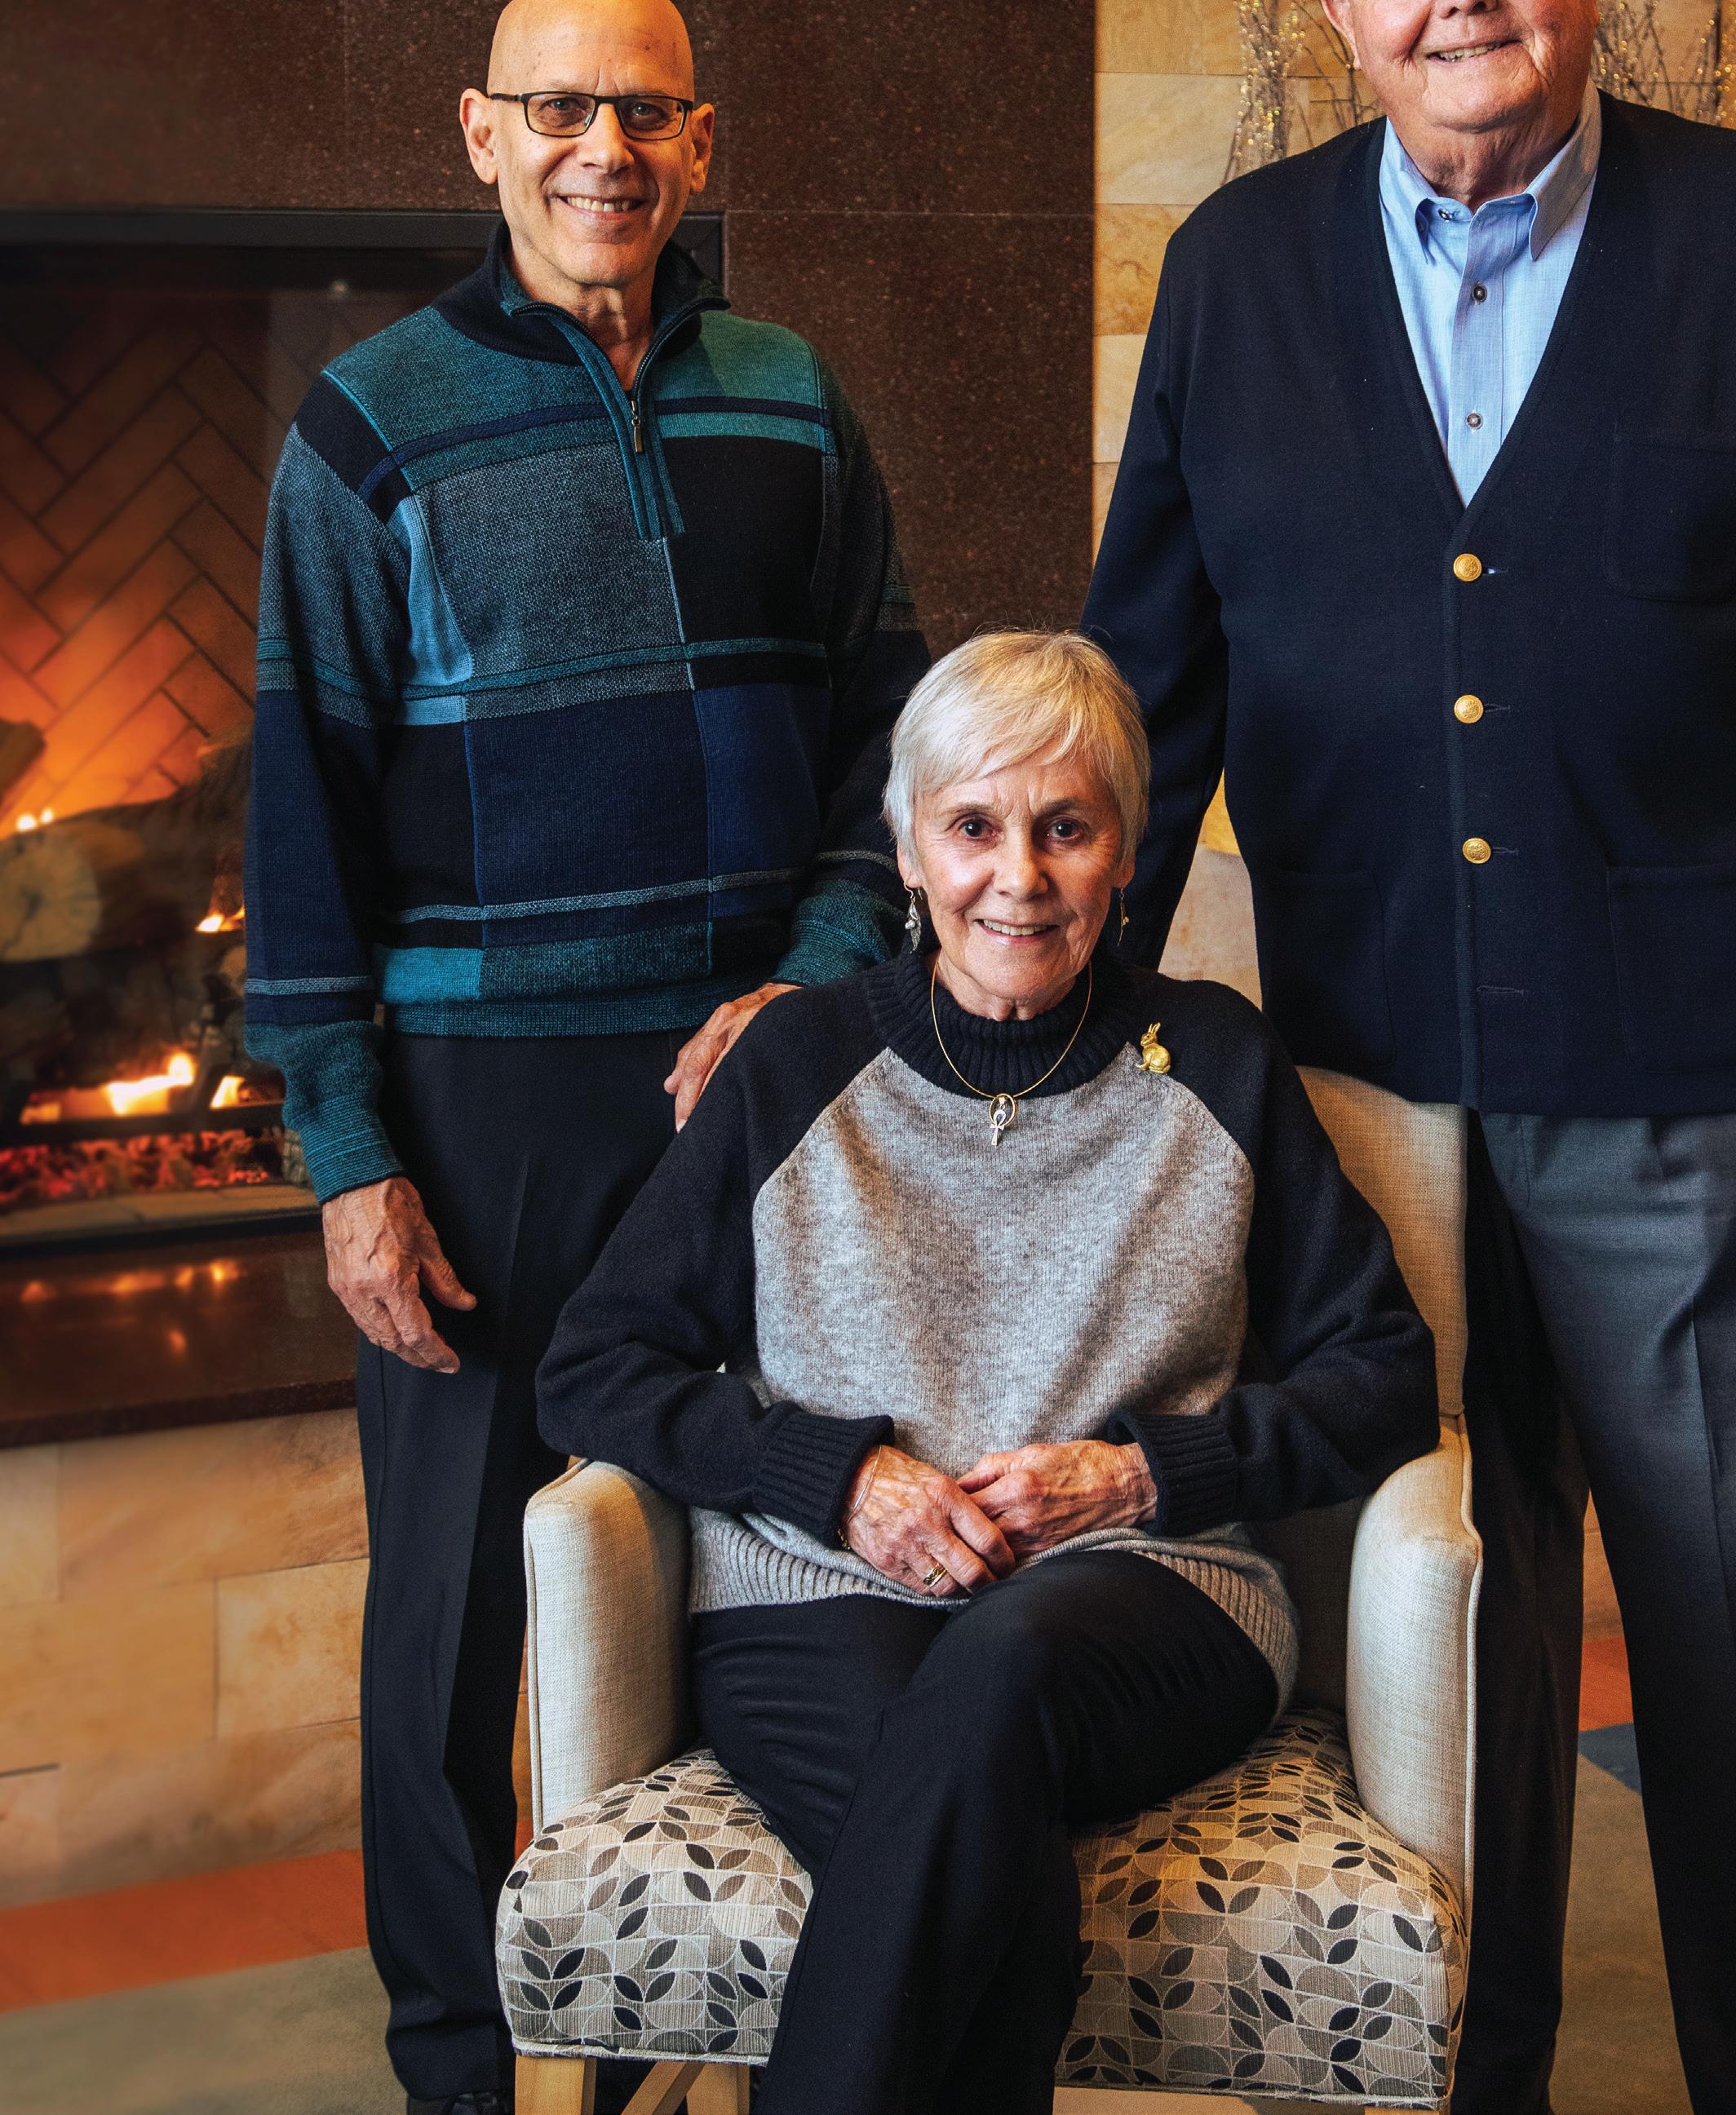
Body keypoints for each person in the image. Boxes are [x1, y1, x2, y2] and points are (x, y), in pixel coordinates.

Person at [1081, 0, 1736, 2115]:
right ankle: (1453, 2082)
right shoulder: (1237, 269)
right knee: (1432, 1635)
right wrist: (1063, 1010)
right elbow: (1148, 670)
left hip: (1706, 1076)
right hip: (1367, 1083)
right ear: (1337, 14)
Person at [243, 0, 928, 2115]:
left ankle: (677, 2015)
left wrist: (817, 973)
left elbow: (886, 738)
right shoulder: (365, 426)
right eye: (556, 110)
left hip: (753, 1089)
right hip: (480, 1106)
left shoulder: (794, 401)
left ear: (699, 142)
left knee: (743, 1559)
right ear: (481, 132)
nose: (600, 152)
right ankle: (460, 2062)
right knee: (455, 1611)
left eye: (642, 113)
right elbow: (299, 811)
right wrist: (349, 1151)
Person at [537, 629, 1441, 2114]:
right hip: (818, 1596)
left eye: (1066, 828)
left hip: (1148, 1591)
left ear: (1124, 854)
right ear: (907, 849)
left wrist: (1143, 1473)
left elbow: (1386, 1373)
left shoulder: (1216, 1061)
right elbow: (593, 1367)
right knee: (968, 1854)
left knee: (994, 1686)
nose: (1017, 877)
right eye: (973, 826)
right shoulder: (795, 1065)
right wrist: (835, 1478)